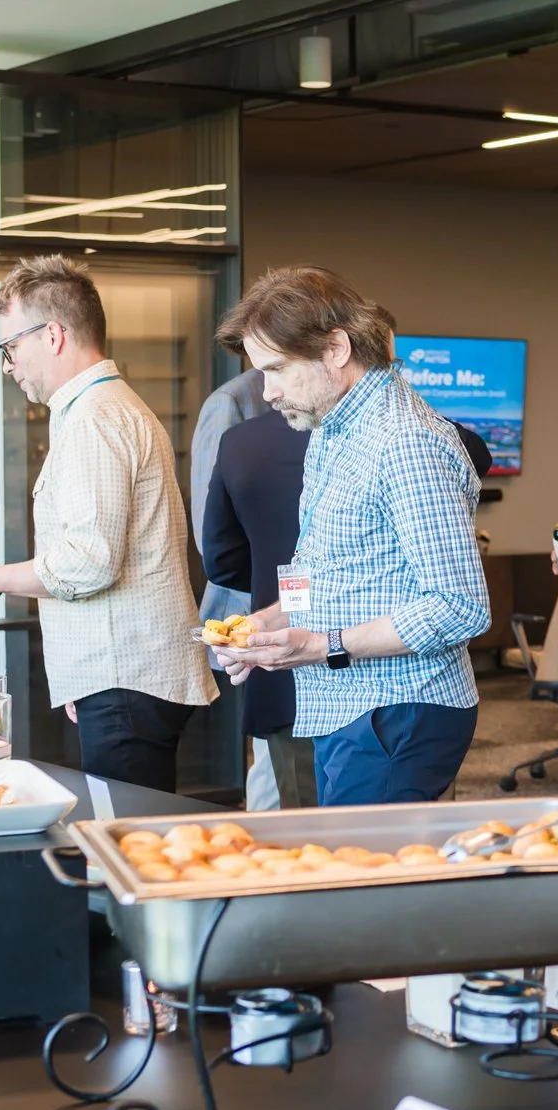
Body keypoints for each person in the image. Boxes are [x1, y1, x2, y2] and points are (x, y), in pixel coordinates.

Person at [0, 255, 215, 793]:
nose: (8, 366)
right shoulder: (102, 409)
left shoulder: (95, 418)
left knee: (123, 849)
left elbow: (87, 561)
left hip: (126, 674)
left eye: (10, 348)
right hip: (120, 673)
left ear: (52, 335)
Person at [206, 265, 489, 806]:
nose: (266, 392)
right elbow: (322, 566)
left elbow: (460, 607)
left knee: (372, 884)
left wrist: (320, 646)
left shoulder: (404, 442)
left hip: (398, 710)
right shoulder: (330, 429)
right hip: (350, 704)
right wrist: (263, 625)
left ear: (336, 348)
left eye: (278, 369)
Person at [189, 369, 279, 809]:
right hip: (250, 599)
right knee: (270, 756)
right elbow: (213, 527)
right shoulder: (230, 402)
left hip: (302, 602)